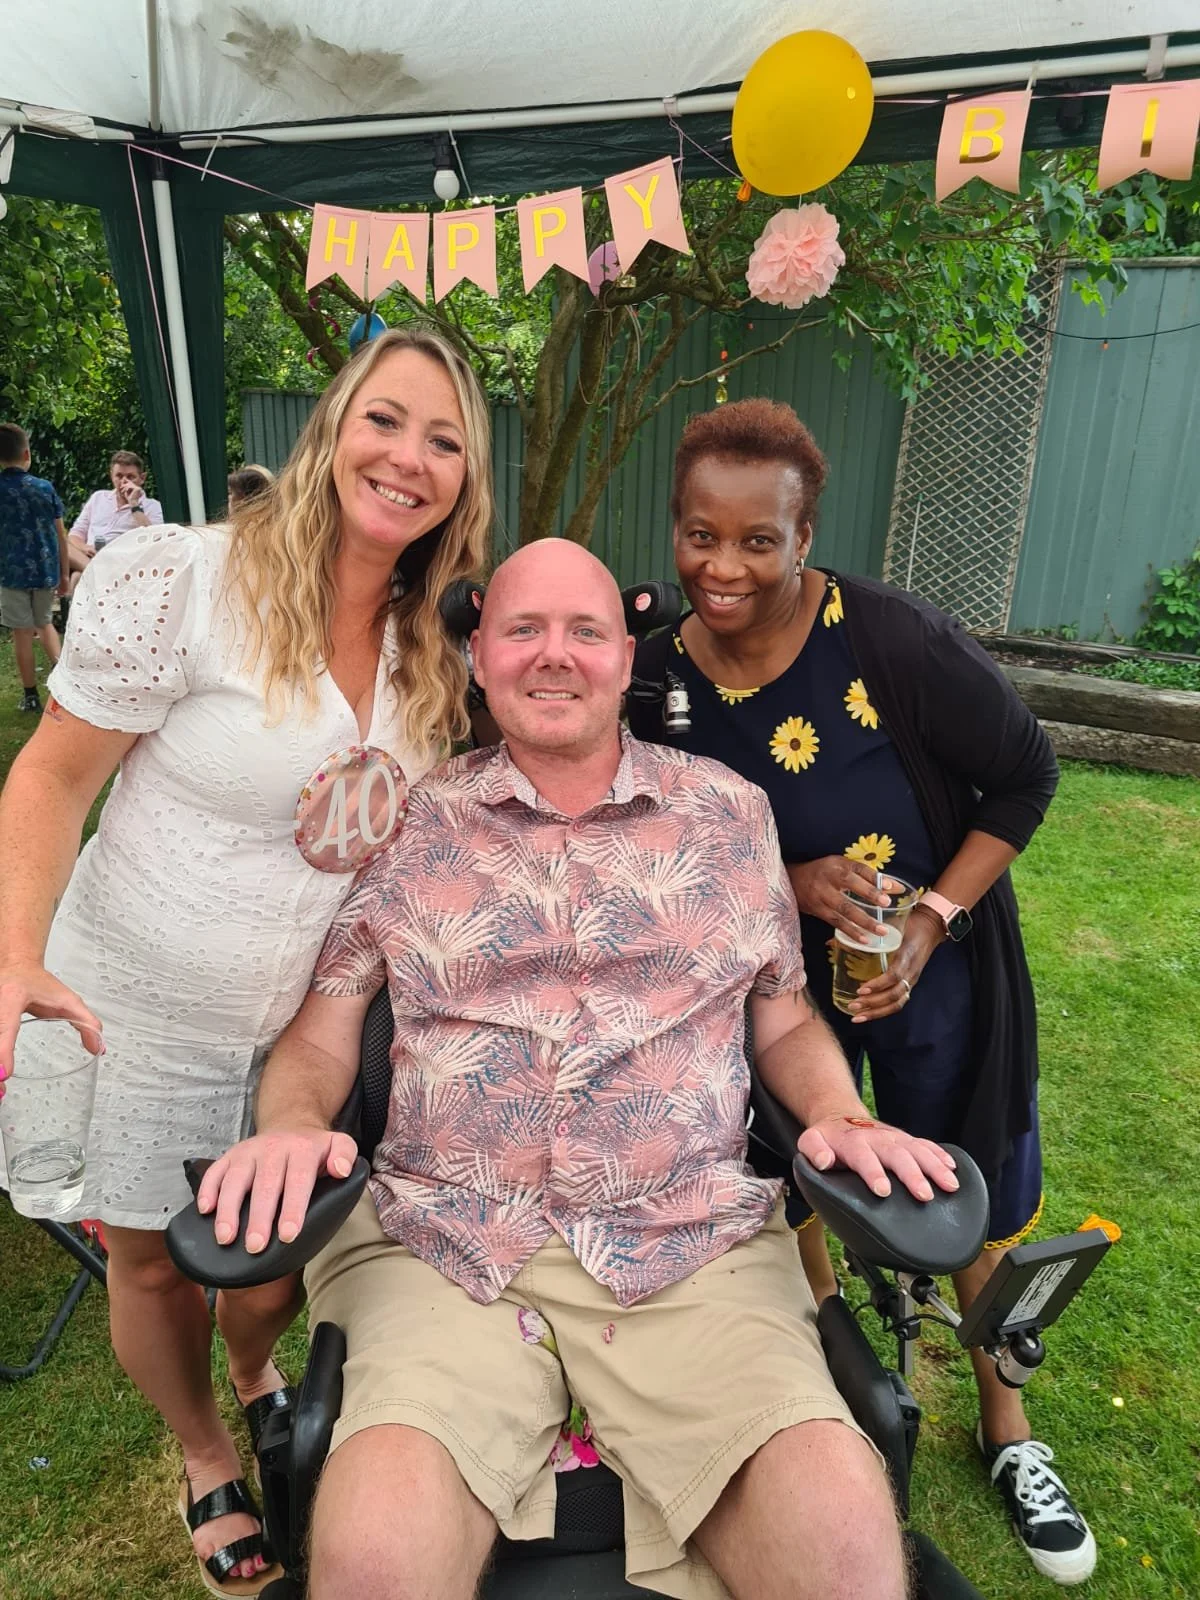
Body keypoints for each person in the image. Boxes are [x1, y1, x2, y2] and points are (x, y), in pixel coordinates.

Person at [197, 539, 961, 1600]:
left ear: (626, 654)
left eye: (585, 631)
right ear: (478, 656)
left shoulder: (730, 814)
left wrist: (840, 1111)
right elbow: (326, 1034)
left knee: (847, 1558)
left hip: (691, 1246)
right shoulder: (408, 825)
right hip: (443, 1246)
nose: (554, 655)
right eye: (523, 629)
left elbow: (781, 1016)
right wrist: (287, 1123)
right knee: (371, 1563)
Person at [0, 328, 493, 1596]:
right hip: (134, 1001)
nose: (409, 458)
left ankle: (257, 1362)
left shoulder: (436, 637)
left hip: (303, 1027)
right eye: (387, 420)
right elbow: (52, 777)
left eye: (445, 440)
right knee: (156, 1258)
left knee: (273, 1266)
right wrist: (10, 947)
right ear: (333, 426)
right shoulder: (189, 578)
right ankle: (209, 1449)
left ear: (466, 477)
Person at [626, 398, 1094, 1586]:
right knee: (787, 1178)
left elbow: (1025, 777)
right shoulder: (655, 679)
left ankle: (1010, 1428)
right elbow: (656, 845)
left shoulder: (893, 642)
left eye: (756, 540)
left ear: (804, 535)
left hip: (920, 969)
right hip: (764, 988)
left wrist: (935, 918)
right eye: (698, 535)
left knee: (961, 1191)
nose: (722, 567)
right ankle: (836, 1362)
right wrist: (788, 878)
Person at [0, 422, 69, 713]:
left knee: (21, 631)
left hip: (10, 573)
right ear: (27, 453)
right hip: (44, 570)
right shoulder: (44, 488)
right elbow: (61, 534)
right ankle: (69, 684)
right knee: (45, 624)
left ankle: (30, 695)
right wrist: (64, 573)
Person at [65, 448, 164, 598]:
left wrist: (134, 504)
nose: (124, 481)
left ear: (142, 478)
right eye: (119, 476)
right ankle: (93, 570)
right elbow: (74, 536)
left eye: (130, 476)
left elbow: (156, 539)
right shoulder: (98, 498)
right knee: (62, 543)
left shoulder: (151, 506)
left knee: (79, 576)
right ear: (111, 476)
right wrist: (84, 547)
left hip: (122, 561)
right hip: (91, 556)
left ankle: (93, 571)